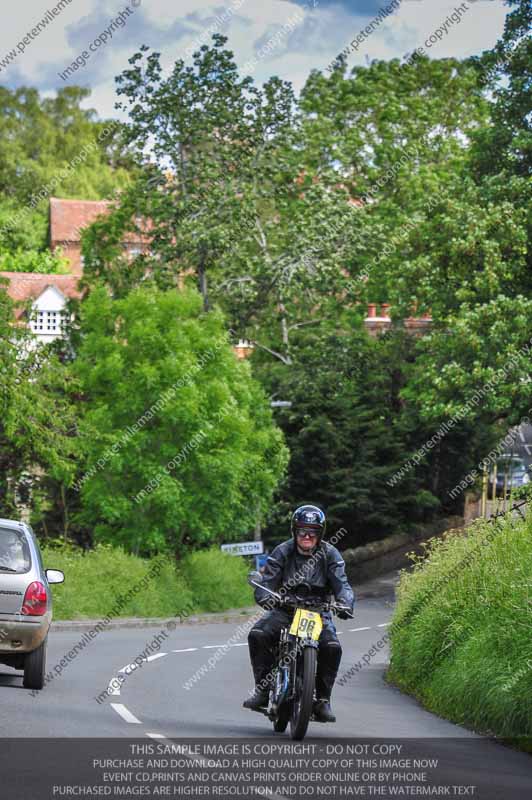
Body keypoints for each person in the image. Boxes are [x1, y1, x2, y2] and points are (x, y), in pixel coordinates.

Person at [243, 504, 354, 723]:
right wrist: (266, 595)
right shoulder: (282, 551)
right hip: (285, 609)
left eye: (312, 531)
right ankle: (263, 690)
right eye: (302, 530)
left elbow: (343, 585)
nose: (307, 535)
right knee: (257, 634)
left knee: (332, 647)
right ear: (295, 530)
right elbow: (267, 581)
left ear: (320, 534)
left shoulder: (330, 554)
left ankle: (322, 700)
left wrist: (345, 603)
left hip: (317, 613)